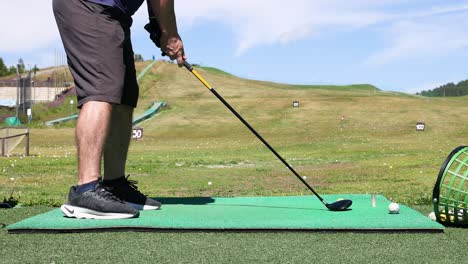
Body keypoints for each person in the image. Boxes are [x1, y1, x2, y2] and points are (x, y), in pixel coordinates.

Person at [53, 0, 185, 219]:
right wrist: (170, 35)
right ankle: (86, 190)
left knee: (125, 96)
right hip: (89, 6)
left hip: (115, 14)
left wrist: (159, 27)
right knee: (101, 88)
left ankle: (114, 184)